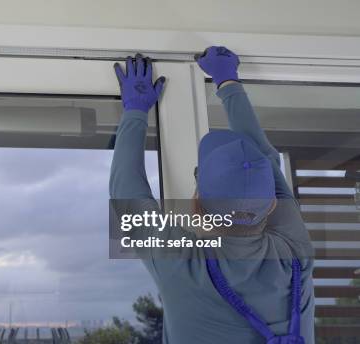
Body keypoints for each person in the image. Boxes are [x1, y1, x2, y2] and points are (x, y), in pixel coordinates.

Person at [109, 47, 315, 343]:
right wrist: (135, 113)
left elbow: (266, 160)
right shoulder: (294, 256)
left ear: (196, 205)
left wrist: (228, 82)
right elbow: (125, 193)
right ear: (270, 205)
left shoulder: (181, 261)